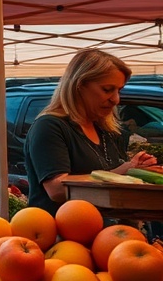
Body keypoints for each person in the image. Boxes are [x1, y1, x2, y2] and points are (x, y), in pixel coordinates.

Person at [24, 49, 158, 214]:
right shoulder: (50, 126)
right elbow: (57, 189)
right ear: (79, 86)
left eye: (119, 90)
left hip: (107, 228)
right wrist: (117, 174)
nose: (116, 99)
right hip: (61, 228)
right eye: (107, 89)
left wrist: (131, 168)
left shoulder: (106, 130)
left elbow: (110, 177)